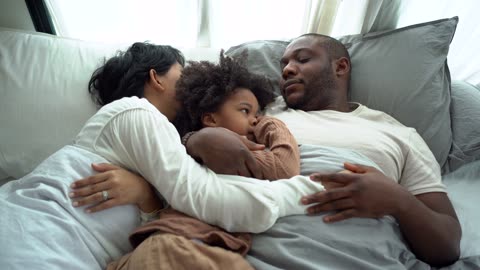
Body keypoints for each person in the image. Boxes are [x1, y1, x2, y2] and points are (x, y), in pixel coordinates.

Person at [0, 41, 330, 270]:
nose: (189, 83)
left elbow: (148, 228)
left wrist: (148, 199)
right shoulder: (132, 111)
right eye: (181, 72)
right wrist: (317, 189)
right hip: (32, 236)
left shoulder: (156, 148)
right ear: (156, 77)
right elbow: (203, 196)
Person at [185, 33, 462, 267]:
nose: (287, 70)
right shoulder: (260, 113)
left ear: (340, 67)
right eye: (284, 64)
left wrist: (399, 201)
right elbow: (183, 141)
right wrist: (197, 140)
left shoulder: (400, 135)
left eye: (302, 59)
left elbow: (447, 245)